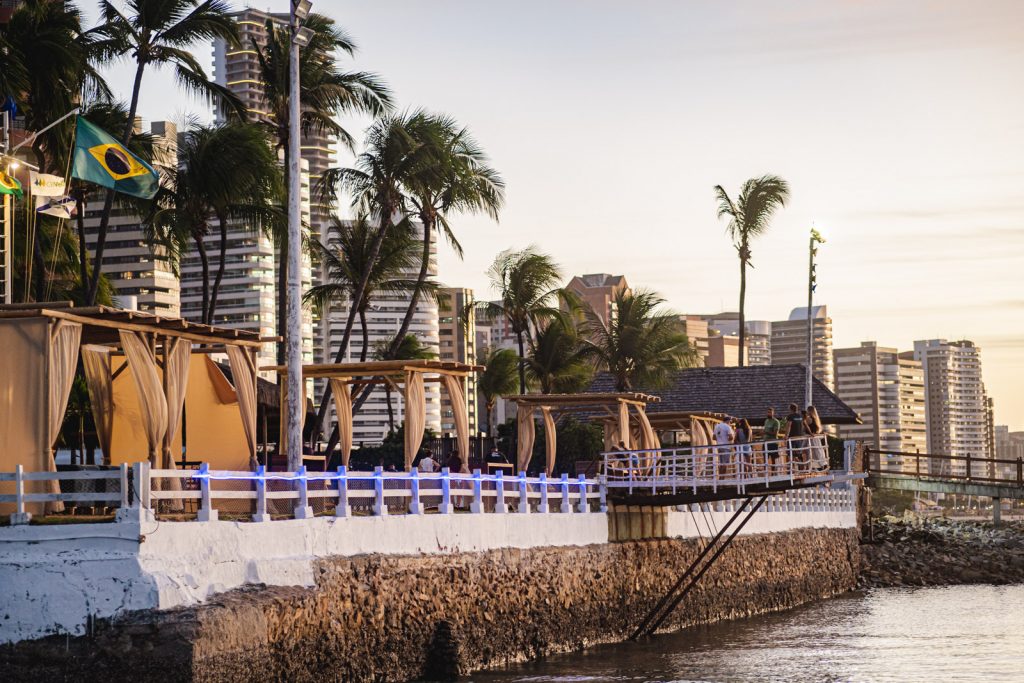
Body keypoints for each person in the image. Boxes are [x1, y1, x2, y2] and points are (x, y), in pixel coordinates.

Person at [806, 405, 828, 470]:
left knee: (812, 453)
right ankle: (822, 465)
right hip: (816, 439)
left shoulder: (809, 419)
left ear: (809, 411)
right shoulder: (816, 419)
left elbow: (804, 427)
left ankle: (813, 467)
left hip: (811, 439)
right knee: (818, 452)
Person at [763, 407, 782, 472]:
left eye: (770, 412)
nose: (768, 414)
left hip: (773, 443)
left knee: (773, 459)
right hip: (765, 442)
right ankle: (766, 473)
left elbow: (775, 433)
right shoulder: (766, 421)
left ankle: (774, 472)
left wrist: (766, 432)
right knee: (765, 458)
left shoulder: (776, 422)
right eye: (768, 412)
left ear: (773, 413)